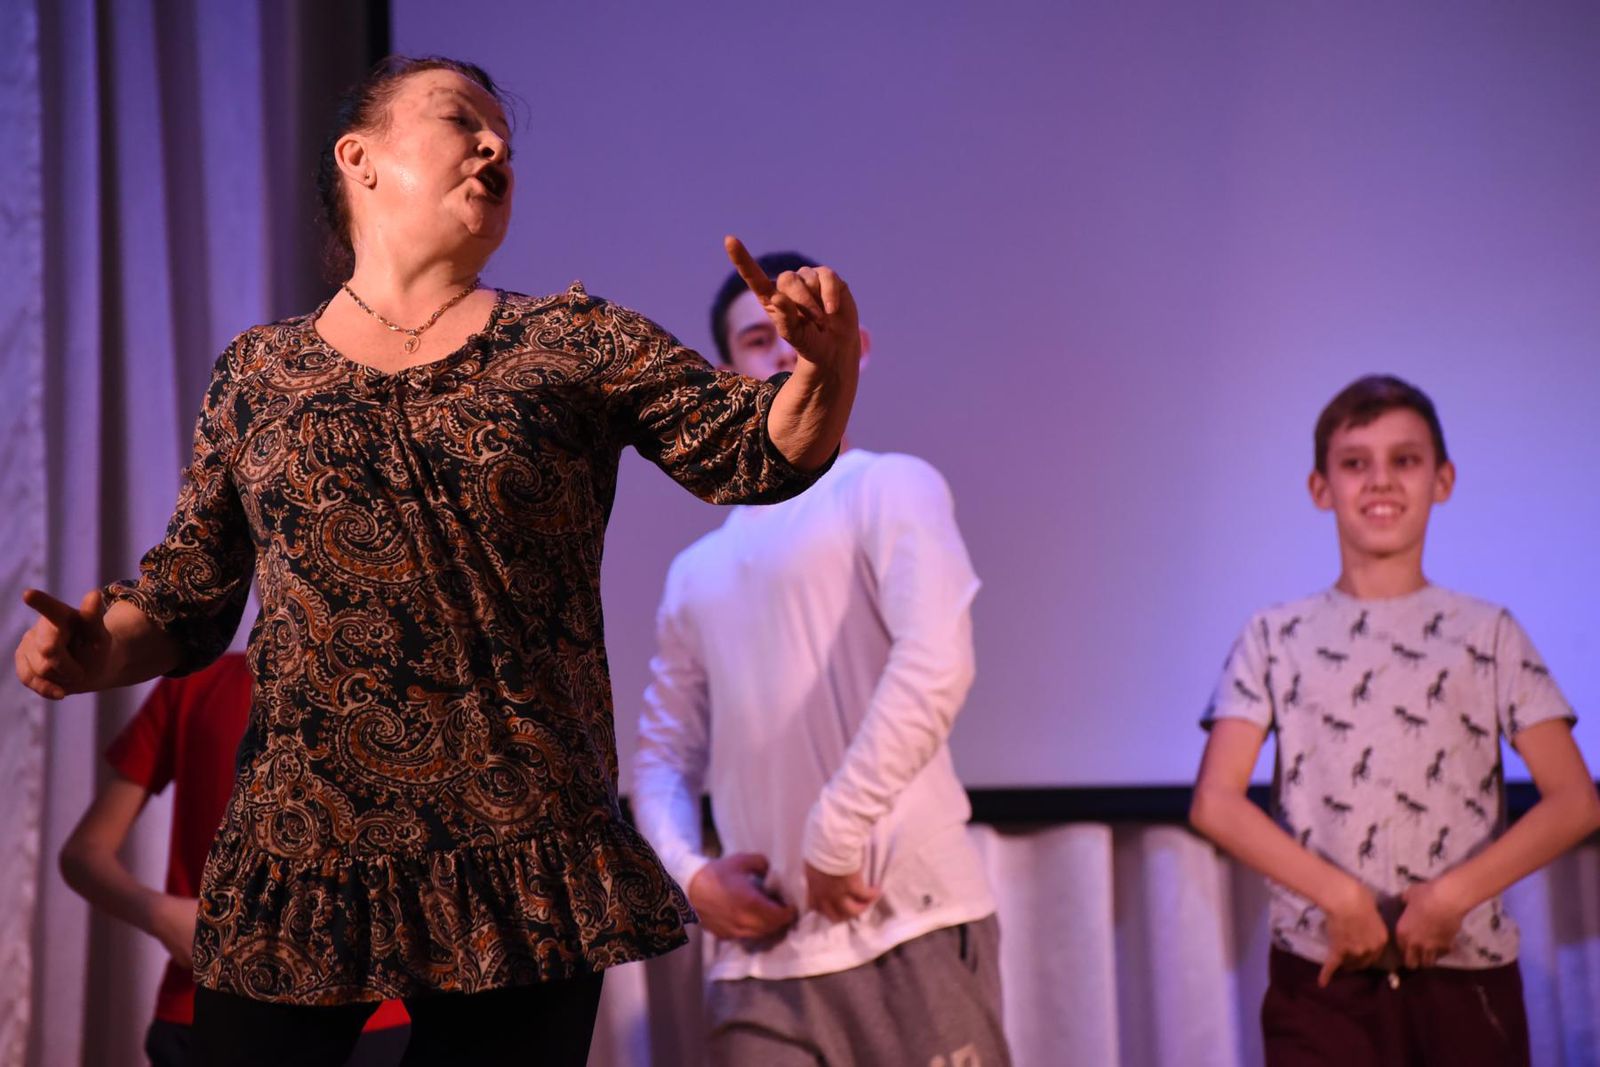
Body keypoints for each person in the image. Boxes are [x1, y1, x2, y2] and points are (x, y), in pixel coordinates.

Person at [16, 55, 860, 1067]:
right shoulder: (258, 372)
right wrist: (94, 651)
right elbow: (187, 601)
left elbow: (757, 451)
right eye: (463, 120)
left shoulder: (573, 340)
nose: (496, 144)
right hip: (302, 851)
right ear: (359, 158)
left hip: (521, 853)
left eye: (505, 136)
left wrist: (825, 368)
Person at [632, 250, 1008, 1066]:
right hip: (763, 958)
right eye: (755, 339)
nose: (781, 349)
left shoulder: (890, 486)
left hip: (911, 918)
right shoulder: (695, 573)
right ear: (727, 376)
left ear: (853, 346)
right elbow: (661, 757)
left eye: (800, 328)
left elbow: (936, 662)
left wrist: (834, 835)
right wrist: (690, 876)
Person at [1189, 375, 1600, 1066]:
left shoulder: (1488, 632)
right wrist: (1339, 896)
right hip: (1323, 977)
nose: (1380, 480)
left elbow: (1575, 800)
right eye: (1355, 463)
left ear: (1443, 480)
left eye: (1404, 460)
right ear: (1321, 487)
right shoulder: (1273, 636)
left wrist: (1450, 897)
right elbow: (1215, 801)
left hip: (1464, 974)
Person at [58, 651, 410, 1067]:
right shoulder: (194, 684)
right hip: (205, 1004)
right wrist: (163, 915)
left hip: (364, 1012)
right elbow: (84, 854)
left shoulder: (389, 691)